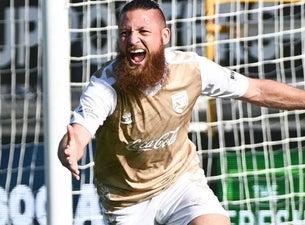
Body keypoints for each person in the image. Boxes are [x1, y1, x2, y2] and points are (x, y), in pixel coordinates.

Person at [58, 0, 305, 224]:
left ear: (165, 36)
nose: (133, 40)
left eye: (143, 32)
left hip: (179, 182)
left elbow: (257, 91)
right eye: (125, 33)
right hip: (127, 199)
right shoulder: (105, 85)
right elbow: (79, 132)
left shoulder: (191, 69)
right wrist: (71, 148)